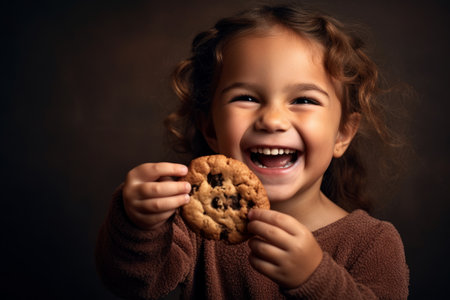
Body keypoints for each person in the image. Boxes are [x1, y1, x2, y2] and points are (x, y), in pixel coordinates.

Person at [95, 3, 409, 299]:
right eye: (246, 97)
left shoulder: (372, 243)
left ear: (342, 134)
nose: (272, 120)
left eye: (303, 100)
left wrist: (315, 278)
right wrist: (138, 223)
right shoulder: (190, 227)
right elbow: (133, 284)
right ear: (211, 130)